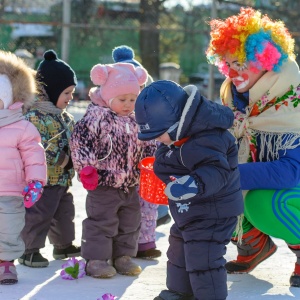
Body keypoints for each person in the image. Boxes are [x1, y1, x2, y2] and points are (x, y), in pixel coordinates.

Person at [206, 7, 300, 287]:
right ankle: (254, 243)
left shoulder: (291, 103)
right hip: (266, 180)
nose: (234, 72)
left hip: (293, 185)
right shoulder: (237, 101)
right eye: (229, 63)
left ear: (268, 60)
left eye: (243, 63)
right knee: (211, 188)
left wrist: (229, 172)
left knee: (264, 203)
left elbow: (291, 172)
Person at [135, 80, 244, 300]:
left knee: (203, 258)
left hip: (215, 212)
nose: (158, 140)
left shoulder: (210, 138)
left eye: (159, 134)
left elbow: (218, 172)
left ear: (178, 123)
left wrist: (189, 185)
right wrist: (160, 173)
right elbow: (167, 160)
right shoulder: (174, 139)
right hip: (190, 211)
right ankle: (179, 291)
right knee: (178, 248)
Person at [69, 61, 157, 278]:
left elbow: (149, 143)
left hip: (130, 183)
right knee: (101, 222)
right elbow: (80, 142)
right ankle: (96, 259)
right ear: (108, 97)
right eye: (122, 99)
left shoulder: (138, 120)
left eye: (132, 99)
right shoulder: (97, 117)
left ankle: (123, 257)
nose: (128, 104)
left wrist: (152, 163)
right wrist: (87, 167)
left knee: (130, 222)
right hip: (103, 183)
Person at [19, 49, 80, 268]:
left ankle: (63, 245)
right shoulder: (34, 116)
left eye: (72, 93)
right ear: (51, 91)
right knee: (39, 214)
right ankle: (29, 250)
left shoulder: (66, 117)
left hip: (63, 179)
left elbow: (75, 141)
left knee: (65, 213)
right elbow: (40, 145)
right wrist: (64, 159)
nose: (70, 98)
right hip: (42, 180)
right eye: (67, 93)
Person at [0, 50, 47, 284]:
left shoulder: (22, 127)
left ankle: (6, 263)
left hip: (10, 192)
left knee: (9, 228)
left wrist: (35, 181)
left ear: (8, 98)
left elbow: (34, 155)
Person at [112, 44, 162, 259]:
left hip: (147, 171)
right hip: (121, 175)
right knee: (126, 212)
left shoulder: (153, 115)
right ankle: (123, 245)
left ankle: (146, 243)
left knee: (148, 208)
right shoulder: (111, 117)